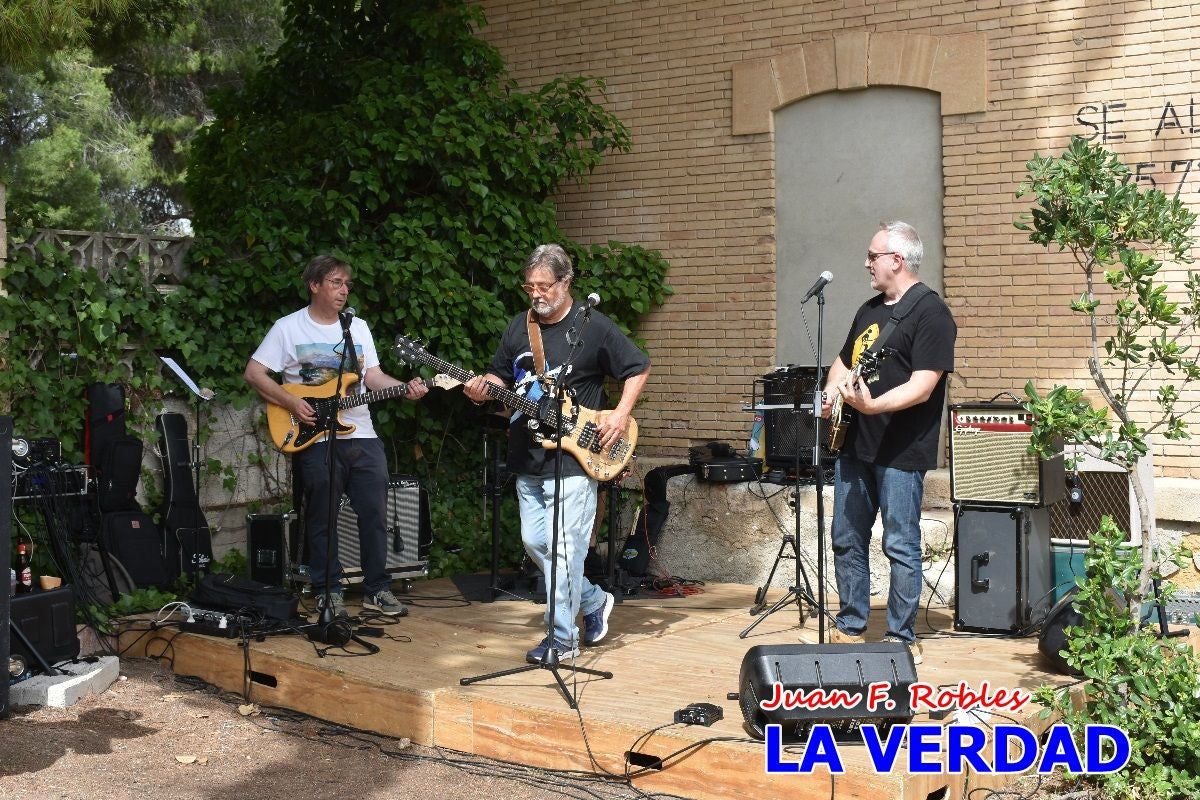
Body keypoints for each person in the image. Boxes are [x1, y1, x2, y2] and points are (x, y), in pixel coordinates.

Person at [464, 244, 651, 663]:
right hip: (527, 455)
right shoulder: (519, 327)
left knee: (566, 549)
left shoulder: (594, 327)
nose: (536, 294)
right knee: (536, 545)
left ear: (566, 283)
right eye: (529, 286)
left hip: (574, 457)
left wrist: (619, 416)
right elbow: (498, 374)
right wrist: (481, 390)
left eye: (544, 286)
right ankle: (592, 600)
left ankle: (562, 640)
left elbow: (638, 367)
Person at [245, 255, 428, 619]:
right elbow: (254, 373)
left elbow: (371, 377)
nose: (343, 290)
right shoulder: (288, 328)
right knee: (323, 517)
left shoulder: (356, 327)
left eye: (346, 284)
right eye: (335, 282)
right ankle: (328, 590)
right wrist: (292, 403)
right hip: (315, 436)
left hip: (361, 432)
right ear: (314, 285)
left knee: (375, 513)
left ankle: (377, 589)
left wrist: (403, 387)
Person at [819, 221, 956, 665]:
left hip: (901, 450)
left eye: (872, 256)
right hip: (856, 446)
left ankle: (899, 637)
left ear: (897, 260)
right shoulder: (868, 310)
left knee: (899, 544)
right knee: (847, 537)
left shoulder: (931, 313)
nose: (866, 263)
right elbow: (844, 360)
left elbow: (923, 385)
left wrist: (874, 406)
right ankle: (851, 627)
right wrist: (830, 393)